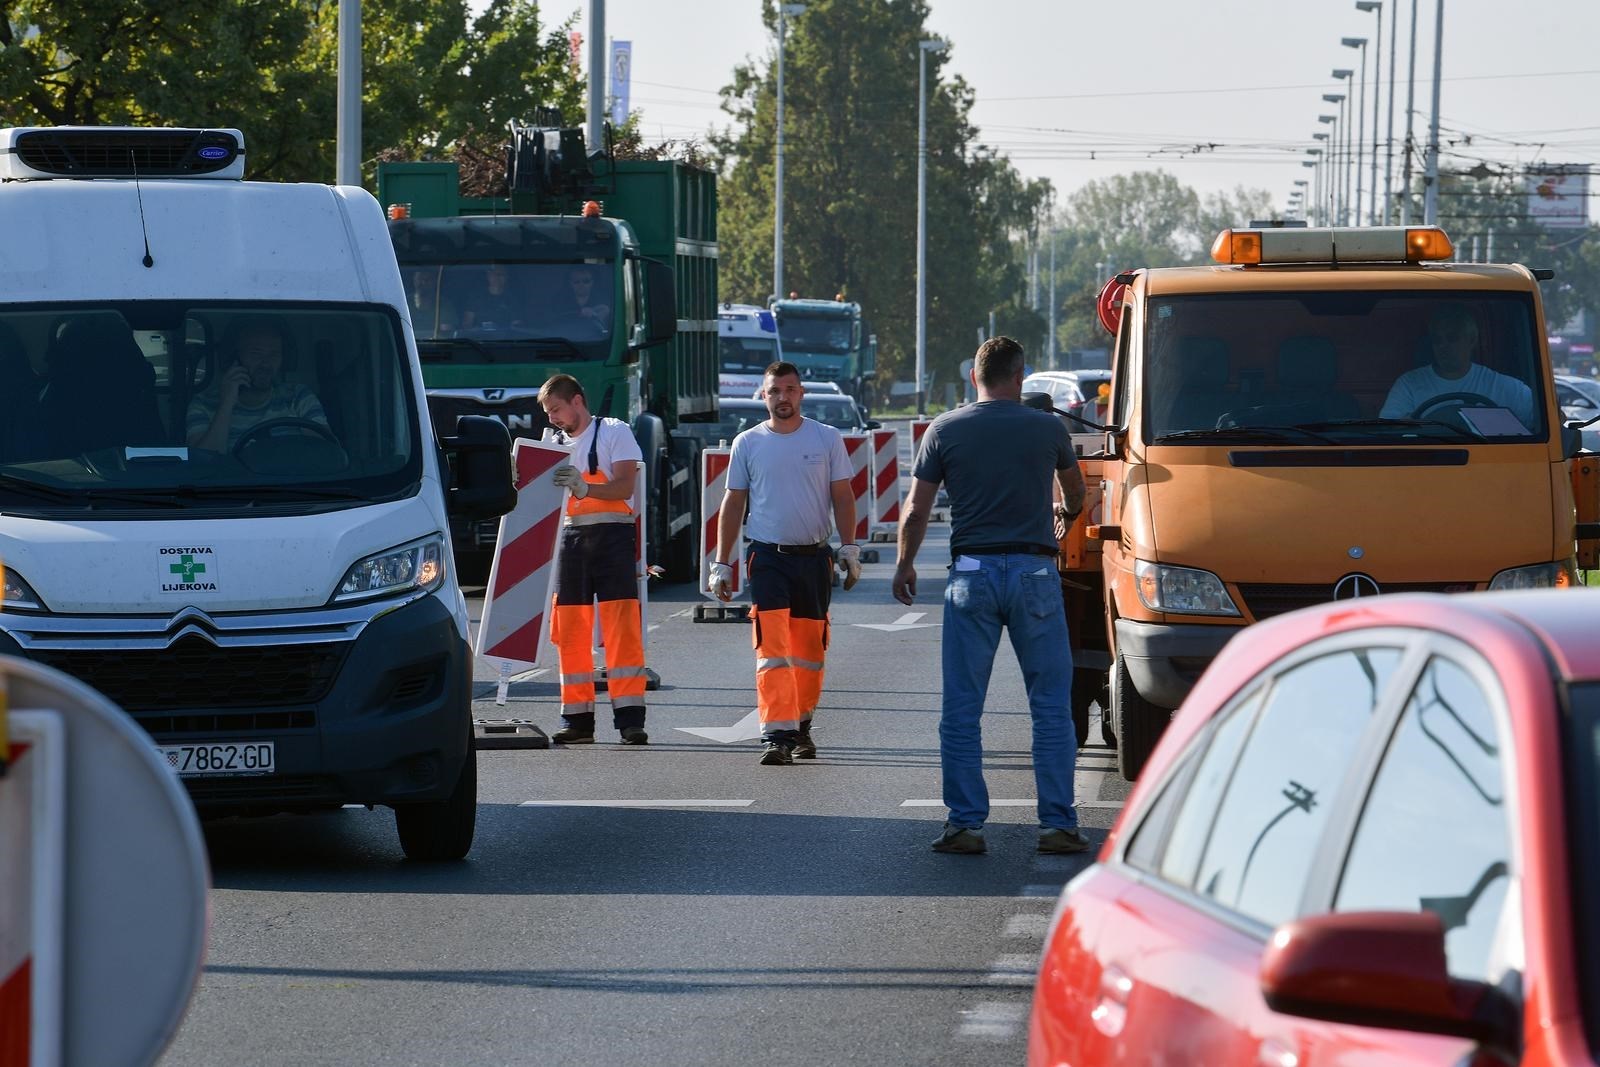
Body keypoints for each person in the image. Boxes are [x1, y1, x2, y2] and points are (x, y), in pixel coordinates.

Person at [892, 336, 1089, 856]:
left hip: (971, 575)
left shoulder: (945, 428)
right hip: (1035, 573)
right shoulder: (1047, 427)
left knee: (961, 708)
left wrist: (904, 564)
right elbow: (1076, 492)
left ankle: (964, 824)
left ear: (974, 377)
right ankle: (1057, 824)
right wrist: (1061, 517)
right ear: (1019, 376)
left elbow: (916, 509)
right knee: (1050, 706)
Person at [710, 360, 861, 765]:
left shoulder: (826, 438)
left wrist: (849, 548)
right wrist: (721, 562)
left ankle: (802, 726)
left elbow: (842, 496)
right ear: (764, 395)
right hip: (768, 557)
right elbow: (733, 503)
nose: (783, 398)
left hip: (814, 558)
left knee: (810, 652)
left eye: (790, 390)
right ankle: (776, 735)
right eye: (775, 391)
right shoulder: (748, 442)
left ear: (801, 394)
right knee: (772, 649)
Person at [539, 373, 650, 745]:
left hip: (613, 537)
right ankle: (577, 721)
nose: (552, 418)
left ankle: (631, 719)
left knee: (621, 631)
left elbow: (624, 486)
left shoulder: (614, 431)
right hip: (569, 540)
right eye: (547, 412)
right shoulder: (550, 444)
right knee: (570, 632)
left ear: (577, 401)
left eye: (556, 409)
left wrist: (585, 487)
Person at [1380, 303, 1536, 428]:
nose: (1443, 346)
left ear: (1472, 340)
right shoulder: (1409, 385)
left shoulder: (1506, 387)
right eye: (1437, 340)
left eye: (1452, 338)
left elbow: (1541, 424)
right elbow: (1387, 431)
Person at [187, 321, 328, 452]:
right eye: (256, 354)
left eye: (274, 354)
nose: (266, 364)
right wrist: (226, 404)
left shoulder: (298, 396)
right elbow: (202, 465)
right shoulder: (202, 404)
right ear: (234, 358)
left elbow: (326, 453)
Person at [463, 264, 523, 333]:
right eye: (493, 273)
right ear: (488, 276)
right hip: (478, 340)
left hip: (503, 340)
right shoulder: (476, 297)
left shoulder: (512, 300)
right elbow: (467, 323)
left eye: (501, 274)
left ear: (506, 277)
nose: (497, 277)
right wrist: (475, 330)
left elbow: (517, 327)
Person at [561, 266, 611, 335]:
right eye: (576, 281)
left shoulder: (603, 301)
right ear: (570, 283)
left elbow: (606, 325)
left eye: (586, 281)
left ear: (592, 282)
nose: (581, 284)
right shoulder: (560, 301)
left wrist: (594, 313)